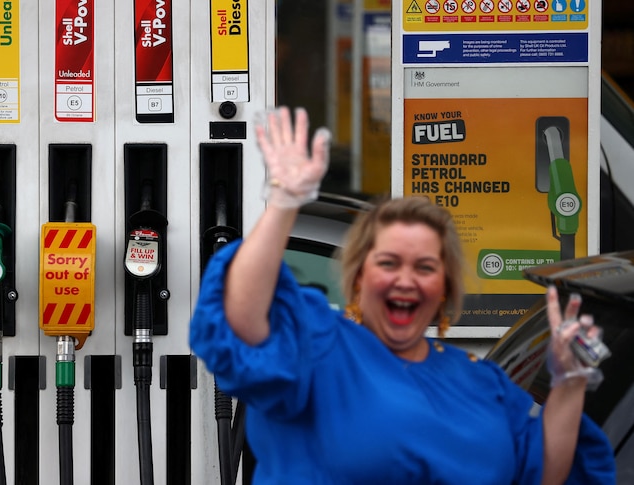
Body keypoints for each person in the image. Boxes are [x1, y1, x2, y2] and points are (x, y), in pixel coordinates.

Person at [189, 107, 616, 484]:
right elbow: (242, 319)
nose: (406, 279)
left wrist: (570, 381)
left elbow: (543, 472)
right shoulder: (321, 347)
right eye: (389, 263)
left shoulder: (482, 385)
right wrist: (284, 201)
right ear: (358, 278)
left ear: (445, 287)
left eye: (425, 267)